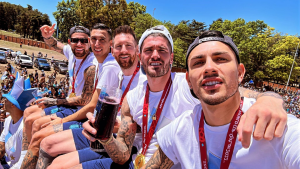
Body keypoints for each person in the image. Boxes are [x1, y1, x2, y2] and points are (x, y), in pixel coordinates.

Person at [81, 26, 287, 169]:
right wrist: (106, 138)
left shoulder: (186, 85)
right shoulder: (132, 99)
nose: (155, 55)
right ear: (139, 56)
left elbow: (226, 92)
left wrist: (270, 99)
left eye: (162, 50)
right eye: (148, 50)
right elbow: (123, 155)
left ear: (172, 58)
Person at [141, 30, 296, 169]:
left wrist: (270, 98)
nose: (209, 67)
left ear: (240, 73)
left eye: (220, 59)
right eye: (198, 63)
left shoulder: (277, 127)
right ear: (188, 81)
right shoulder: (178, 131)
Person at [38, 25, 146, 169]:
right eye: (119, 46)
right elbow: (97, 106)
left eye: (129, 46)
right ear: (113, 49)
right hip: (102, 133)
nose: (124, 50)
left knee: (56, 163)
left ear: (137, 49)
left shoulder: (141, 80)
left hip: (126, 145)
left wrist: (118, 127)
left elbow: (150, 122)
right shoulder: (118, 73)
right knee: (46, 144)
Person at [20, 25, 98, 168]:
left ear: (89, 42)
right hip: (68, 103)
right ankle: (24, 157)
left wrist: (54, 100)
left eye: (83, 41)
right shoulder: (71, 51)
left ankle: (29, 161)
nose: (79, 44)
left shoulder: (91, 65)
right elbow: (55, 44)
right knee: (28, 112)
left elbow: (85, 100)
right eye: (75, 40)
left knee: (36, 123)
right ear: (70, 41)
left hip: (79, 109)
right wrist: (47, 37)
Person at [0, 76, 36, 168]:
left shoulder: (25, 127)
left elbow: (23, 162)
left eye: (6, 99)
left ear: (12, 104)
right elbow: (2, 146)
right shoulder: (8, 120)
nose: (4, 101)